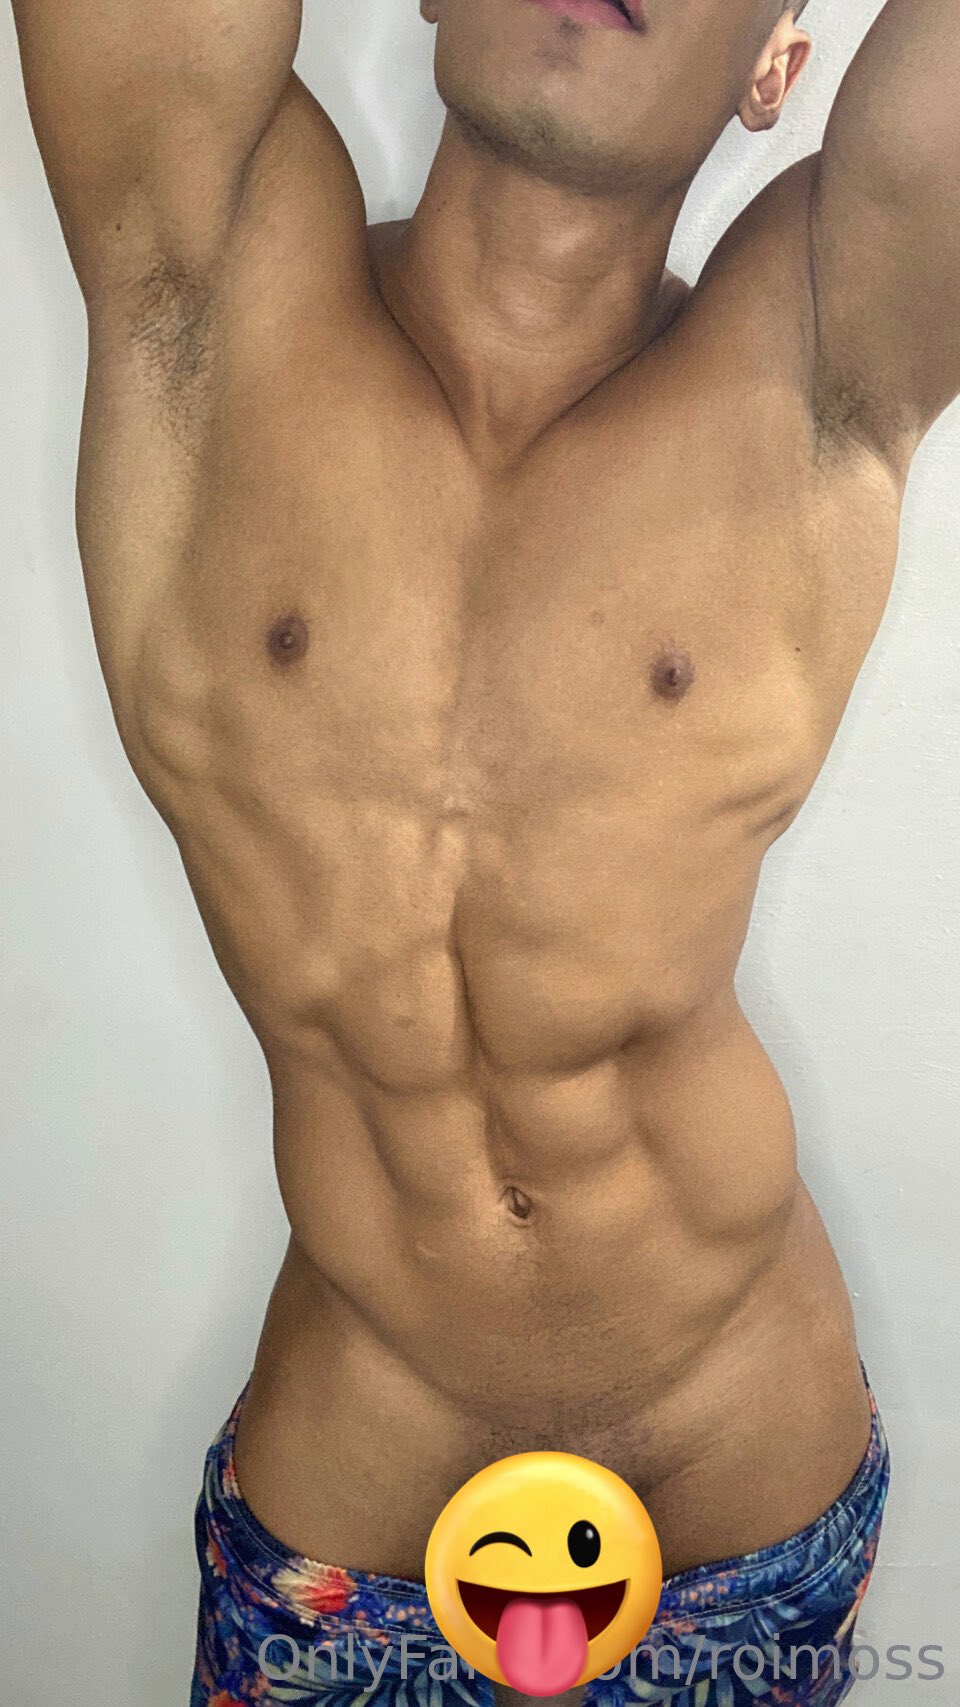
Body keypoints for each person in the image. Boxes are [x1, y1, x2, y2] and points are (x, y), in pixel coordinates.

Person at [11, 0, 957, 1700]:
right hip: (347, 1521)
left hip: (746, 1499)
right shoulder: (199, 286)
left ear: (775, 71)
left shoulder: (826, 352)